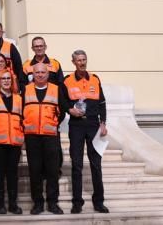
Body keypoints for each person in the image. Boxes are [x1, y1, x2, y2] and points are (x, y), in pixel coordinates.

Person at [62, 50, 108, 214]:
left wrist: (103, 122)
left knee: (96, 164)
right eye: (79, 60)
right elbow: (62, 101)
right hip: (76, 125)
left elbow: (102, 102)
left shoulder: (95, 79)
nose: (82, 62)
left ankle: (99, 201)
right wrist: (69, 110)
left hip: (94, 125)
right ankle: (77, 202)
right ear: (73, 62)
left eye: (84, 59)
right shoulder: (67, 81)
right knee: (77, 165)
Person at [23, 63, 65, 215]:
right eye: (37, 72)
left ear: (48, 74)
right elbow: (21, 110)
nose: (40, 75)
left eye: (43, 72)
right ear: (32, 74)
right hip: (32, 136)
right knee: (35, 171)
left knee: (52, 171)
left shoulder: (56, 89)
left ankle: (53, 203)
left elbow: (63, 110)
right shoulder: (25, 90)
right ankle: (38, 203)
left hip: (50, 136)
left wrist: (53, 123)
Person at [0, 71, 23, 215]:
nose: (6, 81)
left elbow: (23, 118)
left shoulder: (19, 98)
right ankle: (0, 204)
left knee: (12, 173)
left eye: (9, 78)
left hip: (15, 141)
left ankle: (13, 204)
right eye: (3, 79)